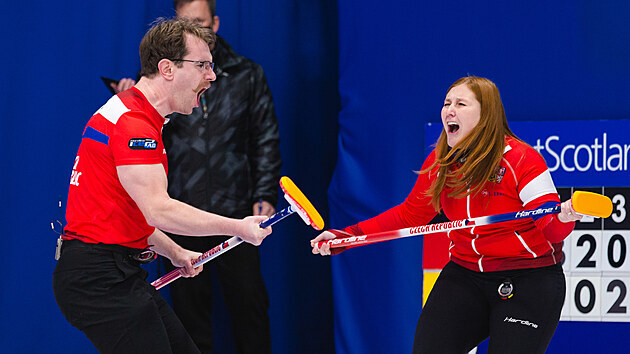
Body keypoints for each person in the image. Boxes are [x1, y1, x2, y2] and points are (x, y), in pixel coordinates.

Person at [311, 76, 583, 353]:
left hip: (528, 280)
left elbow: (551, 228)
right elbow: (409, 216)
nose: (449, 110)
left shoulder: (521, 159)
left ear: (486, 114)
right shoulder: (441, 162)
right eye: (446, 103)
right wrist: (349, 236)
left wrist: (565, 216)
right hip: (466, 275)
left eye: (461, 103)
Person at [52, 18, 272, 354]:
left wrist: (175, 251)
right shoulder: (134, 125)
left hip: (112, 272)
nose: (211, 77)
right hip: (99, 279)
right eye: (202, 66)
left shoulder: (136, 115)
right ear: (167, 68)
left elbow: (130, 209)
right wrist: (238, 227)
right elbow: (159, 209)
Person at [113, 1, 281, 352]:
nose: (210, 77)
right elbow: (146, 178)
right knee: (187, 320)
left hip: (234, 207)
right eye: (201, 66)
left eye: (202, 24)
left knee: (250, 310)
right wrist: (131, 102)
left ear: (215, 23)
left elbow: (264, 139)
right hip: (178, 211)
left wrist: (263, 197)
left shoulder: (248, 75)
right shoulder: (144, 107)